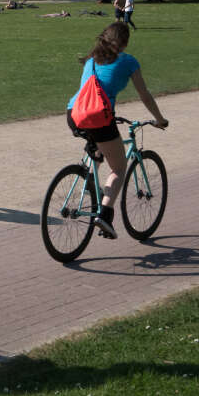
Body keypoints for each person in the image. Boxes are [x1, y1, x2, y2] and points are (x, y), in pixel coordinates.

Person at [66, 21, 168, 238]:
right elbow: (144, 94)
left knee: (100, 149)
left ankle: (91, 185)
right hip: (99, 118)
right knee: (120, 168)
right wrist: (159, 119)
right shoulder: (129, 61)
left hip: (73, 114)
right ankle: (104, 214)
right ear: (125, 43)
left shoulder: (91, 60)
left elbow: (89, 93)